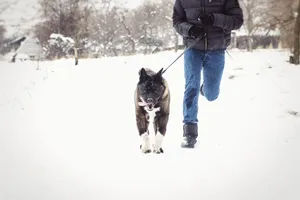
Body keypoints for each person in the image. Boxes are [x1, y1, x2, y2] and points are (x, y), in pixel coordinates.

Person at [172, 0, 244, 148]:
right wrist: (190, 30)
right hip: (193, 47)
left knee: (212, 94)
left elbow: (237, 21)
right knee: (191, 85)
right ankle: (189, 132)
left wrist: (214, 19)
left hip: (216, 48)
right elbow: (177, 21)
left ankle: (205, 90)